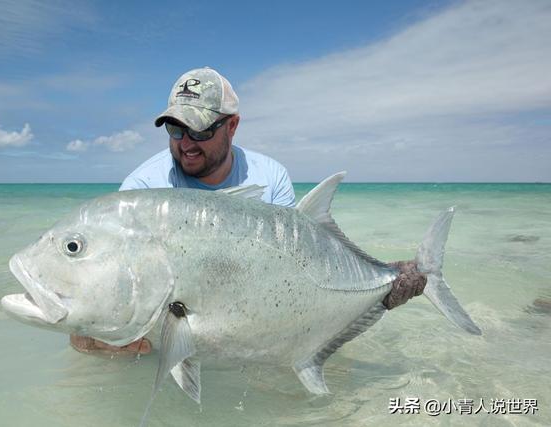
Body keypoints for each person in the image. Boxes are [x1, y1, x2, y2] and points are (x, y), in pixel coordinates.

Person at [70, 67, 425, 355]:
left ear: (232, 125)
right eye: (176, 129)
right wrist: (93, 339)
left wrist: (379, 284)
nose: (187, 144)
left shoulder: (269, 177)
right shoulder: (142, 192)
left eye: (200, 129)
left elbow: (302, 268)